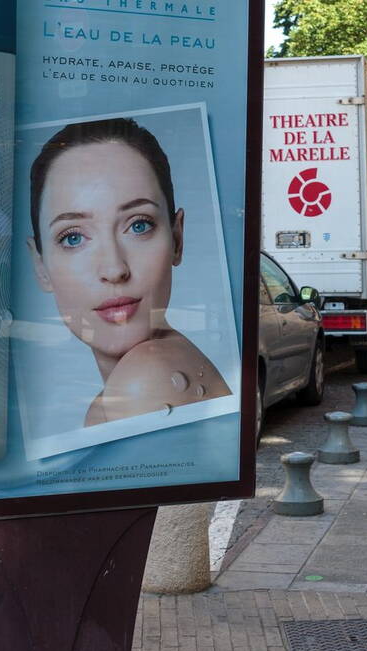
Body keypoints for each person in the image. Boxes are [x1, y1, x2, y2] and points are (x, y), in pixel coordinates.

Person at [27, 117, 231, 428]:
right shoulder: (128, 387)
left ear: (177, 239)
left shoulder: (146, 380)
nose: (114, 269)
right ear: (41, 266)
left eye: (138, 225)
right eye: (73, 237)